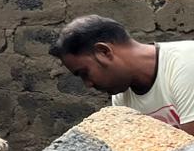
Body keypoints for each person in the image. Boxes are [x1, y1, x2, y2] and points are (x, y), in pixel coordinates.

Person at [50, 16, 194, 133]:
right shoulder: (121, 97)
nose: (88, 84)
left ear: (103, 52)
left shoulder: (187, 62)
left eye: (84, 73)